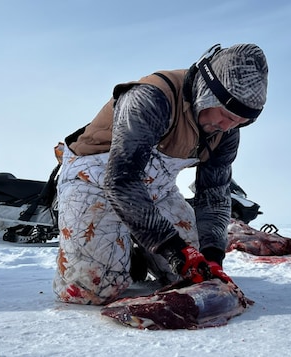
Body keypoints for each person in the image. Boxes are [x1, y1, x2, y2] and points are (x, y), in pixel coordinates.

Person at [53, 43, 269, 305]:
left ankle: (138, 250)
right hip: (94, 180)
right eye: (224, 114)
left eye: (239, 121)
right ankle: (108, 252)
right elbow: (122, 180)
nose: (228, 126)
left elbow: (213, 195)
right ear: (206, 91)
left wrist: (213, 256)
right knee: (92, 290)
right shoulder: (151, 98)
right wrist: (172, 248)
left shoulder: (227, 133)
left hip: (155, 191)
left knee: (197, 274)